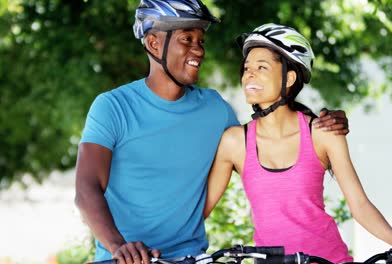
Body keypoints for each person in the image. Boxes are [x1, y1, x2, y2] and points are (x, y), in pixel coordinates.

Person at [74, 2, 349, 264]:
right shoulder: (113, 107)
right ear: (154, 43)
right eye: (186, 39)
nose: (199, 50)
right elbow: (87, 188)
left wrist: (320, 124)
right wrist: (117, 245)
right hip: (125, 258)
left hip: (192, 257)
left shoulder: (216, 110)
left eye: (201, 41)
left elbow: (266, 147)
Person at [203, 23, 392, 264]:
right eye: (246, 68)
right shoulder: (234, 142)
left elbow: (359, 204)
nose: (249, 75)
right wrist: (163, 244)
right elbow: (200, 211)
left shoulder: (323, 133)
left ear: (289, 78)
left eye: (261, 67)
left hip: (328, 259)